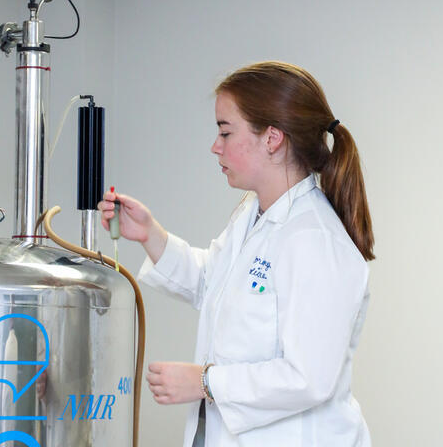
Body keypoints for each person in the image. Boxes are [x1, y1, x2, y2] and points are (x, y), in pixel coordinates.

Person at [99, 61, 375, 446]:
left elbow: (309, 378)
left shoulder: (314, 240)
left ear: (272, 138)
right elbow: (215, 283)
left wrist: (205, 381)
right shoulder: (254, 213)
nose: (216, 146)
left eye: (225, 132)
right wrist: (150, 234)